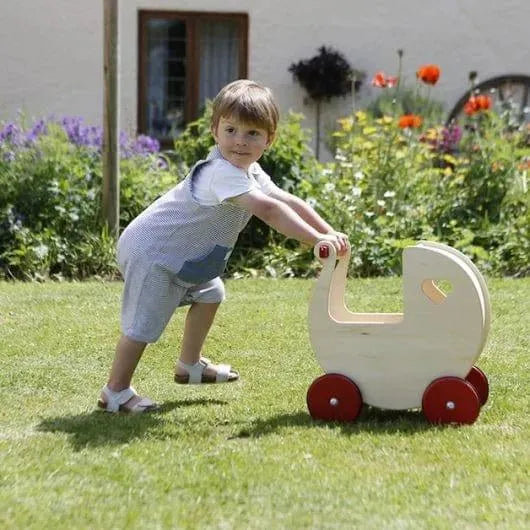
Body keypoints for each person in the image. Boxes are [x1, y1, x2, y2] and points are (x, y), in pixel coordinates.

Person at [98, 79, 349, 413]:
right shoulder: (221, 172)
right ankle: (115, 392)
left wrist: (331, 233)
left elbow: (286, 199)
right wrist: (316, 240)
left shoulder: (249, 171)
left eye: (252, 134)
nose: (240, 142)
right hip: (153, 253)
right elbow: (270, 210)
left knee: (210, 293)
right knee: (142, 326)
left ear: (268, 140)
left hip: (185, 258)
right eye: (231, 130)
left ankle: (189, 367)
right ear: (215, 130)